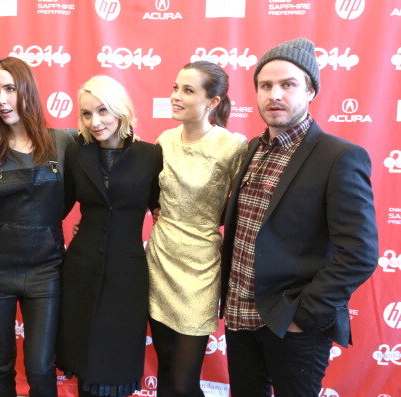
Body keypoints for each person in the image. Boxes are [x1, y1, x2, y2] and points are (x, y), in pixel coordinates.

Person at [219, 38, 379, 397]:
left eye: (288, 84)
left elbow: (359, 252)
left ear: (310, 91)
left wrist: (303, 316)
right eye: (266, 85)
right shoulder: (251, 149)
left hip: (293, 324)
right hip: (239, 317)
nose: (274, 94)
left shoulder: (339, 157)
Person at [56, 75, 163, 397]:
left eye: (103, 111)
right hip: (81, 267)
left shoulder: (151, 154)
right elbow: (61, 204)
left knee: (116, 360)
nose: (95, 121)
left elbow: (162, 210)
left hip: (127, 273)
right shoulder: (77, 152)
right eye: (87, 114)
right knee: (84, 354)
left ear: (121, 110)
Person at [145, 61, 247, 397]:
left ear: (212, 101)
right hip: (160, 260)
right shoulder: (165, 139)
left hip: (201, 269)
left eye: (188, 90)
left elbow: (239, 208)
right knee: (166, 368)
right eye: (176, 87)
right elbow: (152, 194)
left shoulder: (232, 146)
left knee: (184, 381)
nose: (175, 96)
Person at [0, 56, 75, 397]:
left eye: (10, 89)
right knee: (0, 363)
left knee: (39, 364)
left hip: (46, 270)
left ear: (27, 91)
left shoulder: (64, 141)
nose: (2, 100)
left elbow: (98, 182)